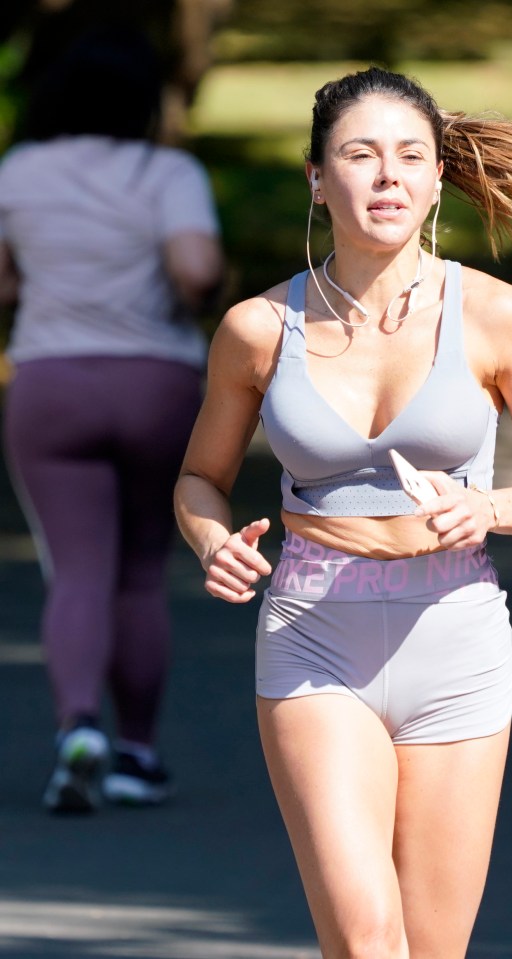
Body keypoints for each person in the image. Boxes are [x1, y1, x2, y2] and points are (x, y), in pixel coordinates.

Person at [174, 66, 512, 957]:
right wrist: (212, 539)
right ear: (317, 178)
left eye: (410, 156)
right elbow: (198, 478)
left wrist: (487, 506)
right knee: (366, 941)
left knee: (431, 949)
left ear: (439, 177)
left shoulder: (495, 315)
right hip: (313, 630)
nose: (387, 176)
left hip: (456, 635)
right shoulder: (257, 328)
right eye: (359, 155)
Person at [0, 26, 224, 813]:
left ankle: (77, 727)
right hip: (157, 383)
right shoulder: (167, 171)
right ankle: (136, 754)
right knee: (139, 571)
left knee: (76, 566)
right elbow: (195, 269)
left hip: (51, 384)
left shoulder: (18, 172)